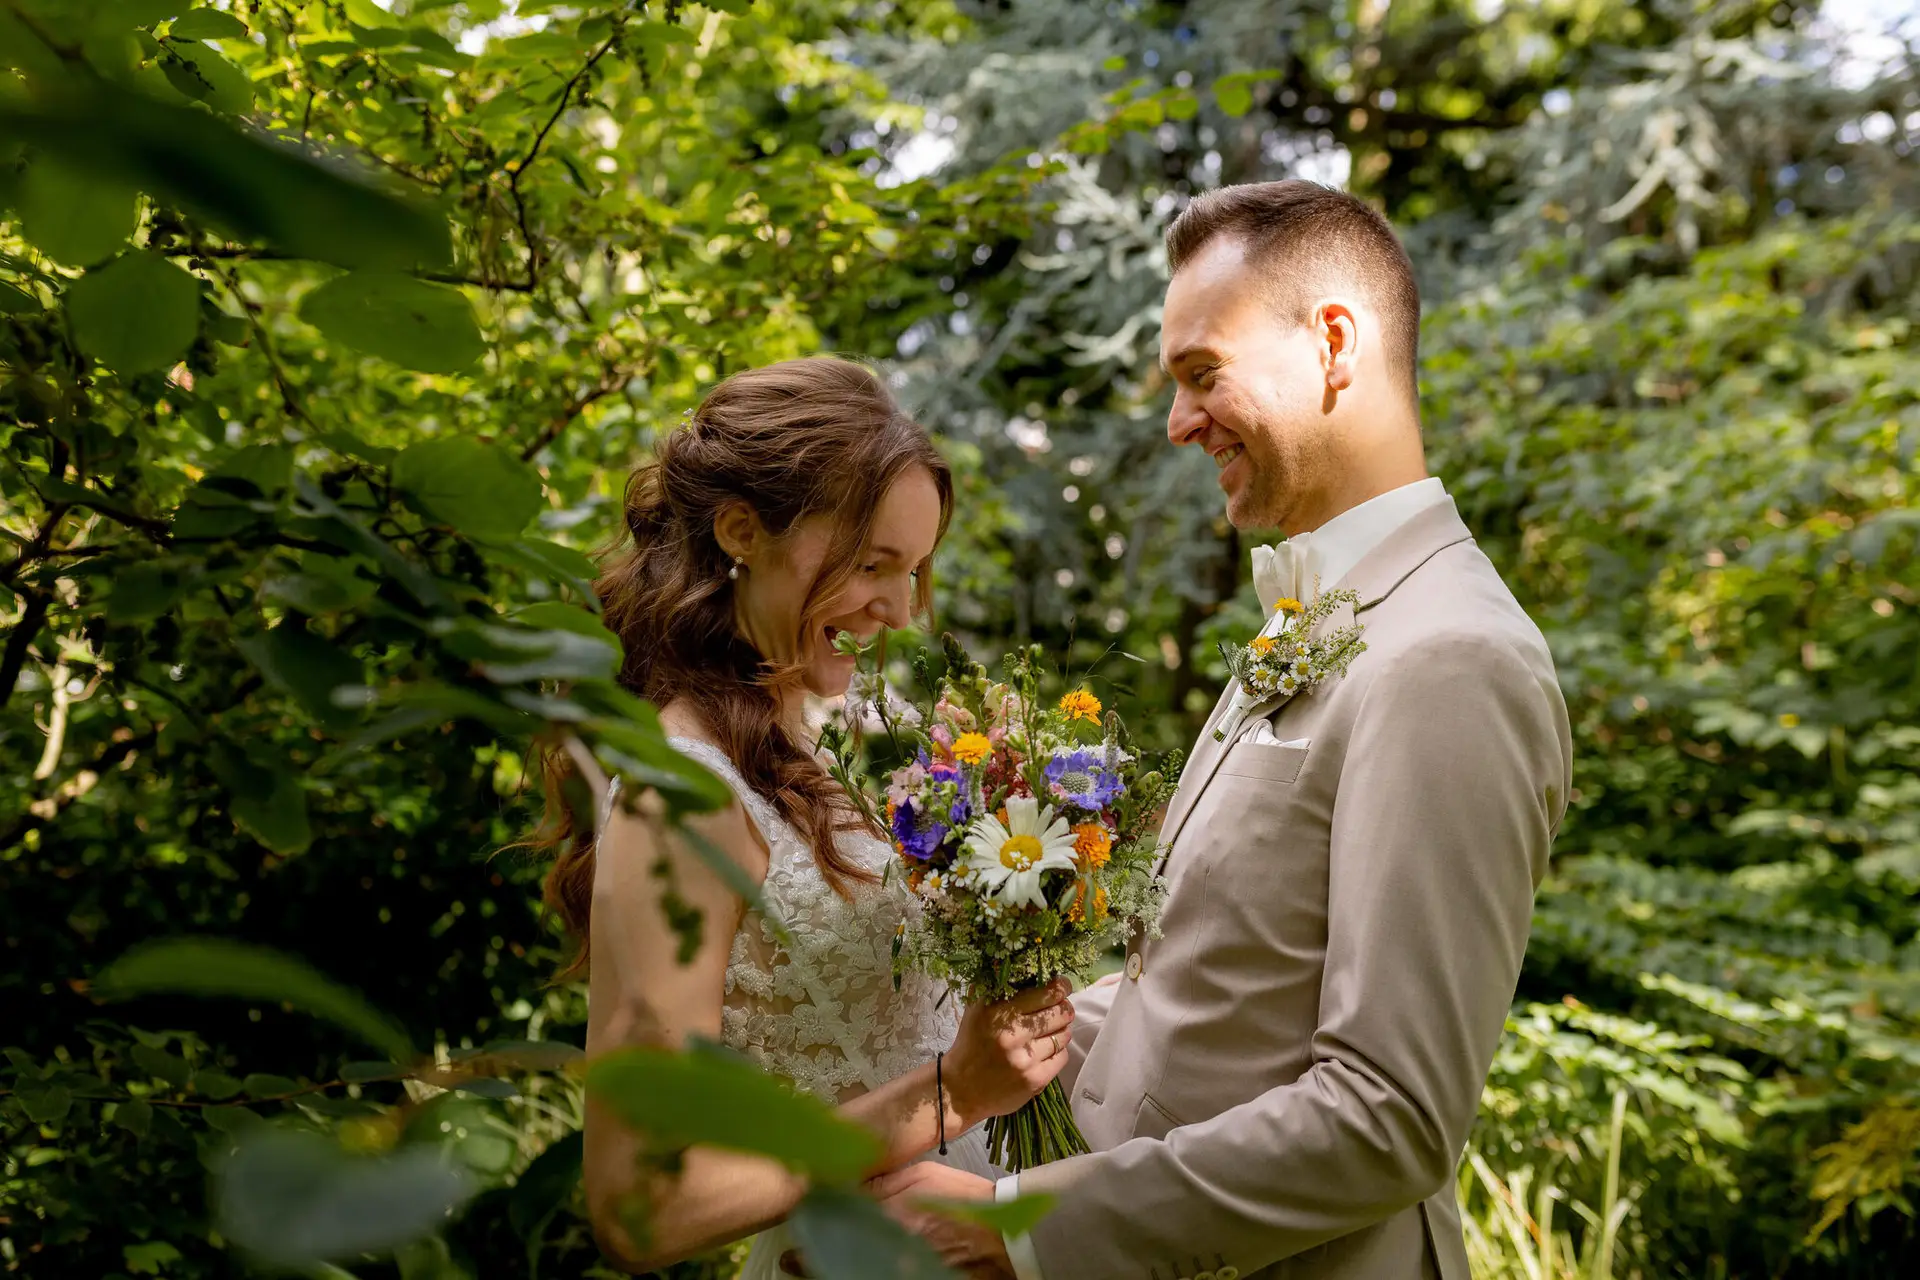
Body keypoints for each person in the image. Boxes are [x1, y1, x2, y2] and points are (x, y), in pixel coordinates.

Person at [873, 181, 1573, 1280]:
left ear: (1336, 342)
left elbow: (1388, 1116)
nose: (1177, 421)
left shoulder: (1450, 658)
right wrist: (940, 1073)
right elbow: (1202, 987)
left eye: (1204, 374)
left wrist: (1022, 1224)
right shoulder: (1317, 616)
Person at [538, 357, 1076, 1277]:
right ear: (742, 531)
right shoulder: (679, 799)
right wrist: (951, 1094)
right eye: (873, 566)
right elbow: (643, 1210)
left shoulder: (833, 735)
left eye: (914, 571)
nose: (902, 611)